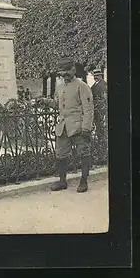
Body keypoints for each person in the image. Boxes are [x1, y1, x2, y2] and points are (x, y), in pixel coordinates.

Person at [37, 57, 94, 193]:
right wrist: (45, 101)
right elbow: (58, 105)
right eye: (62, 71)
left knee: (83, 154)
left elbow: (88, 108)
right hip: (63, 127)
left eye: (67, 70)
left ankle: (83, 181)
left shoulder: (82, 86)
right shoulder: (60, 87)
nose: (65, 74)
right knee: (60, 155)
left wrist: (86, 127)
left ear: (73, 69)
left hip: (78, 127)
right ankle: (62, 181)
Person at [90, 68, 108, 142]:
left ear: (101, 75)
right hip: (95, 108)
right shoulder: (94, 85)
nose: (95, 77)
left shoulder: (103, 85)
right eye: (94, 76)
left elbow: (104, 99)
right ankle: (99, 142)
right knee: (97, 127)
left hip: (100, 109)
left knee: (101, 127)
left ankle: (102, 142)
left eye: (97, 75)